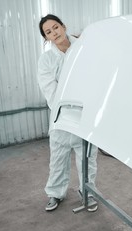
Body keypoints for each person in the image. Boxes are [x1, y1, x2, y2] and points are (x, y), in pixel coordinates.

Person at [37, 14, 98, 212]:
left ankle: (87, 192)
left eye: (56, 27)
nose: (54, 33)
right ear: (46, 38)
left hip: (85, 113)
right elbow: (50, 91)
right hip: (61, 117)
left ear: (63, 26)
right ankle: (55, 193)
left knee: (87, 158)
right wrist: (65, 109)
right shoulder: (47, 60)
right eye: (48, 32)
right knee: (58, 158)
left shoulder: (85, 48)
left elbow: (95, 77)